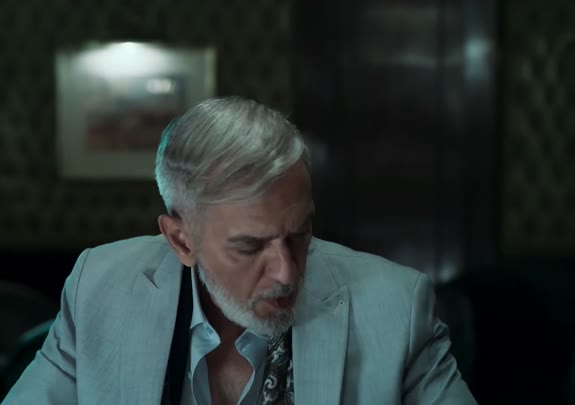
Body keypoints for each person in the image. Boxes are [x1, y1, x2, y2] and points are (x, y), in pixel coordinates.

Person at [3, 97, 476, 404]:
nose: (286, 271)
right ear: (181, 240)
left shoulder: (396, 306)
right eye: (250, 246)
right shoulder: (99, 289)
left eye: (299, 235)